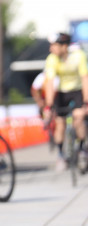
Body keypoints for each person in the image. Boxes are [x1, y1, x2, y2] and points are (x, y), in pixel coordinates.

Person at [41, 32, 88, 171]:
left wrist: (86, 102)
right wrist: (49, 105)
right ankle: (61, 154)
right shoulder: (52, 59)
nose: (51, 48)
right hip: (62, 92)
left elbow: (85, 78)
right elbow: (50, 83)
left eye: (54, 45)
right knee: (59, 123)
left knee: (78, 118)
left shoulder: (78, 56)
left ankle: (82, 148)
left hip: (78, 90)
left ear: (64, 46)